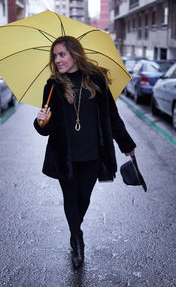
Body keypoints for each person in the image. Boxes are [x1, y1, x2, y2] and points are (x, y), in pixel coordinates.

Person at [33, 36, 136, 269]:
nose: (57, 60)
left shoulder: (96, 79)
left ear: (75, 54)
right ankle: (78, 241)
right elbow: (46, 129)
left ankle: (74, 229)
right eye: (55, 56)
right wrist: (41, 122)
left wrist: (126, 144)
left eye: (62, 54)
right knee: (70, 199)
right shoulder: (53, 85)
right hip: (65, 155)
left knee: (84, 199)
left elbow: (112, 116)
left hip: (92, 153)